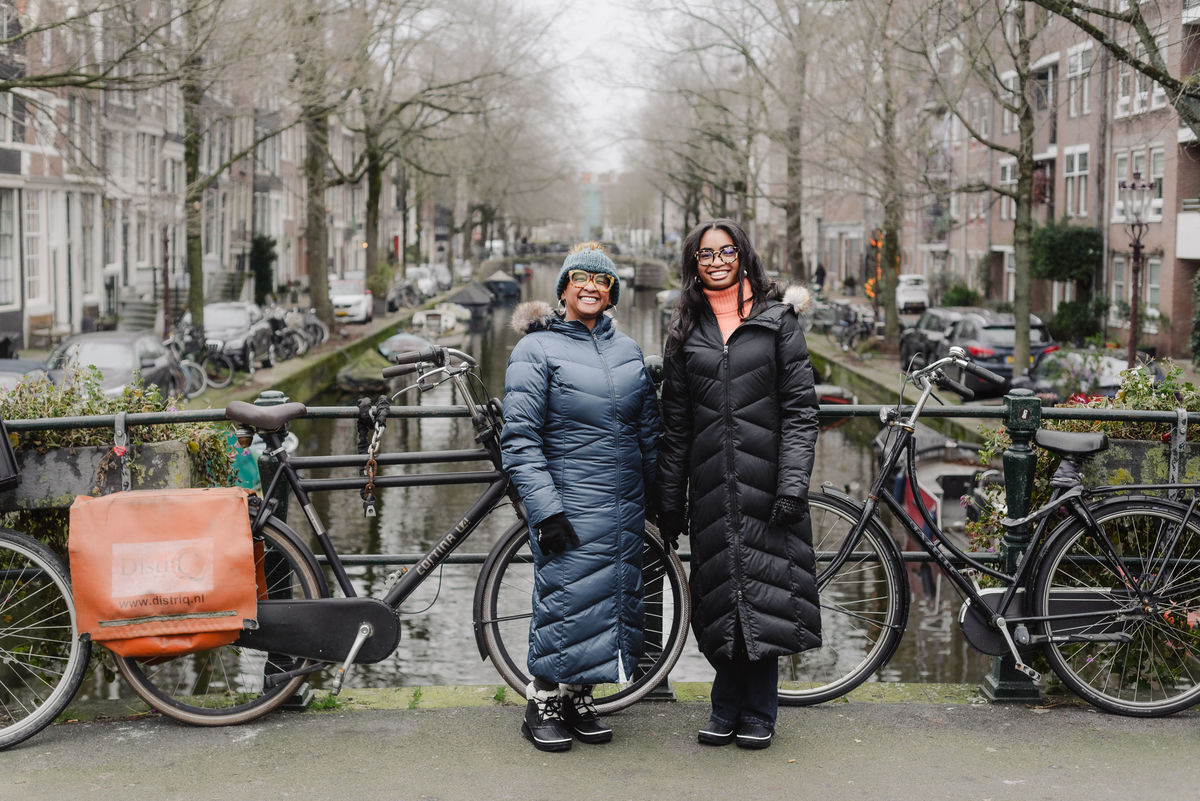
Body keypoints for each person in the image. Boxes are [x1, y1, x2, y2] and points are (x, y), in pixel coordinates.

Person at [656, 218, 821, 751]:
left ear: (744, 256)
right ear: (694, 264)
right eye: (706, 255)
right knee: (719, 595)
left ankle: (759, 711)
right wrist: (669, 500)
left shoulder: (778, 321)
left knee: (771, 594)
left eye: (726, 252)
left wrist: (793, 483)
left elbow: (800, 411)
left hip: (769, 485)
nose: (717, 262)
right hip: (709, 487)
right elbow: (675, 423)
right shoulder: (685, 329)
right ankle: (724, 707)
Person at [500, 242, 660, 753]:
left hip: (624, 503)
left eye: (602, 280)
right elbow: (520, 438)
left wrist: (662, 498)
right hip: (569, 501)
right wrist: (544, 509)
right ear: (564, 288)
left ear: (612, 292)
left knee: (611, 599)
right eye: (581, 278)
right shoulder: (535, 349)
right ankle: (542, 701)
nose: (591, 286)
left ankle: (579, 697)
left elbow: (648, 430)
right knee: (563, 600)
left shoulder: (627, 349)